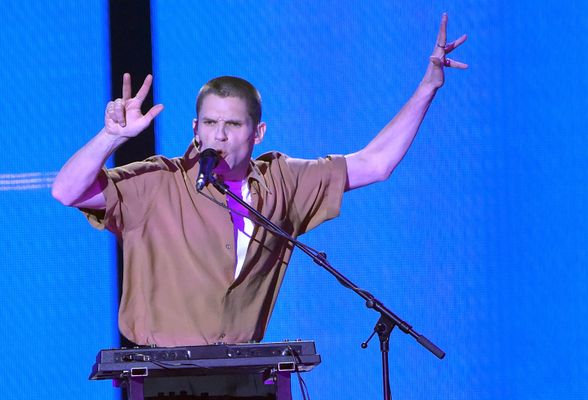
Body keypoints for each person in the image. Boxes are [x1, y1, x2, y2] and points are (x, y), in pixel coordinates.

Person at [52, 14, 467, 349]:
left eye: (233, 125)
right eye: (210, 123)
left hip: (245, 373)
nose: (219, 135)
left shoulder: (281, 182)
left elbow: (375, 164)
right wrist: (111, 137)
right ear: (196, 128)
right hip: (161, 374)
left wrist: (428, 86)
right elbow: (66, 191)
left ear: (258, 133)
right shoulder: (158, 182)